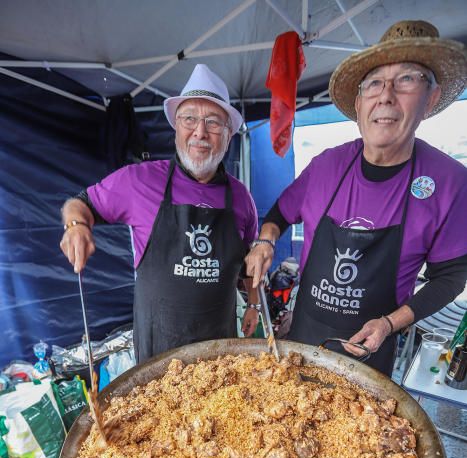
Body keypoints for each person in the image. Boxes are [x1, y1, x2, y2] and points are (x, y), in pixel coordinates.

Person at [246, 20, 467, 376]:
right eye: (375, 82)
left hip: (371, 349)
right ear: (360, 100)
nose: (386, 95)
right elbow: (280, 214)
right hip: (303, 336)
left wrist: (390, 323)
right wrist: (264, 241)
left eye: (407, 79)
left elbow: (452, 276)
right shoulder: (326, 166)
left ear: (432, 98)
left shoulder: (450, 182)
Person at [60, 64, 260, 363]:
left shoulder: (241, 197)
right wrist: (76, 225)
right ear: (176, 126)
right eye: (189, 118)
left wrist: (254, 304)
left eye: (213, 122)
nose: (200, 132)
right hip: (159, 352)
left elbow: (249, 265)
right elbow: (80, 203)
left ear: (228, 134)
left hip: (220, 352)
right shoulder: (138, 180)